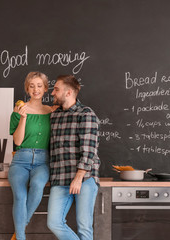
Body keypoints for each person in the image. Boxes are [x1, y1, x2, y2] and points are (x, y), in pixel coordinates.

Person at [47, 75, 100, 240]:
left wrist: (79, 177)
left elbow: (88, 149)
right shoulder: (55, 116)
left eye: (56, 89)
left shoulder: (86, 114)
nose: (52, 93)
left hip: (84, 178)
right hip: (60, 177)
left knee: (84, 227)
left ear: (68, 92)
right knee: (54, 222)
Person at [8, 72, 53, 240]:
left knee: (37, 186)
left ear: (45, 89)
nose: (36, 89)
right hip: (20, 159)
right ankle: (20, 238)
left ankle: (19, 228)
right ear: (27, 89)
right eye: (32, 86)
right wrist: (23, 117)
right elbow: (18, 140)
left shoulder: (51, 112)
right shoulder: (18, 110)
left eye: (39, 85)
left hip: (43, 161)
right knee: (19, 197)